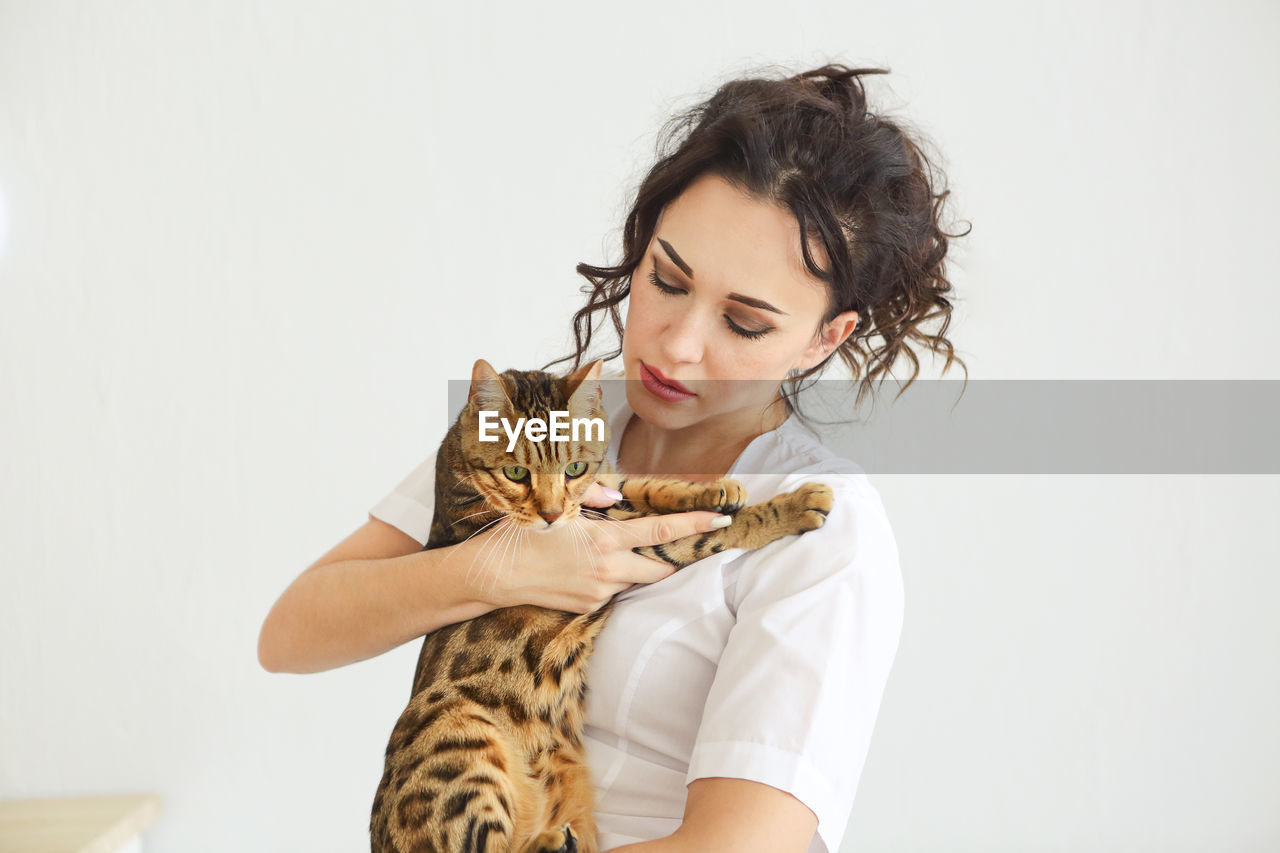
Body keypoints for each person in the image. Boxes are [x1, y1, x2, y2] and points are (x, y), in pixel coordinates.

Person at [259, 62, 966, 853]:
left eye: (744, 323)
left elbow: (738, 846)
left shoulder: (824, 529)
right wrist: (499, 568)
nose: (679, 342)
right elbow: (292, 633)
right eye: (667, 279)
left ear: (823, 338)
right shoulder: (538, 433)